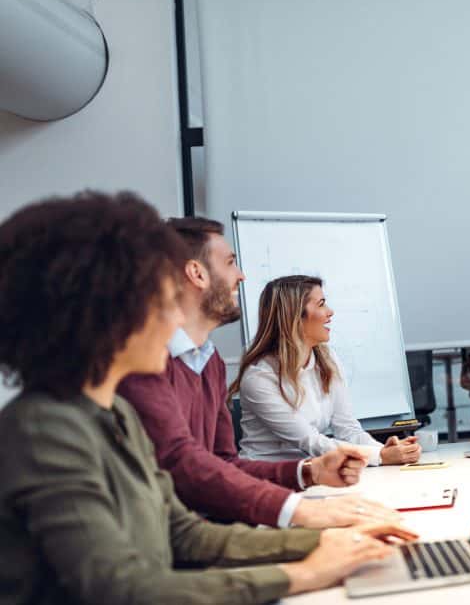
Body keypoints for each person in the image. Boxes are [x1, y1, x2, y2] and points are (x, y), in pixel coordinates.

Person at [0, 192, 416, 605]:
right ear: (103, 312)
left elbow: (183, 533)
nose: (177, 315)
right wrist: (303, 572)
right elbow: (120, 588)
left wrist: (326, 542)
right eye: (158, 297)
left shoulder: (114, 415)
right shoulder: (44, 430)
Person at [118, 217, 398, 529]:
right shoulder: (142, 365)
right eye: (229, 262)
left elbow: (223, 463)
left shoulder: (210, 363)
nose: (241, 275)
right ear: (196, 274)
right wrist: (300, 511)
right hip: (176, 538)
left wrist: (309, 473)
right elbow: (181, 467)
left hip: (202, 526)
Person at [231, 275, 420, 465]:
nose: (330, 312)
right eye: (321, 304)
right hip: (265, 477)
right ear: (295, 315)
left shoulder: (326, 359)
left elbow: (347, 428)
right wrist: (379, 457)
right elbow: (310, 441)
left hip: (311, 472)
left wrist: (384, 450)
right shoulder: (259, 377)